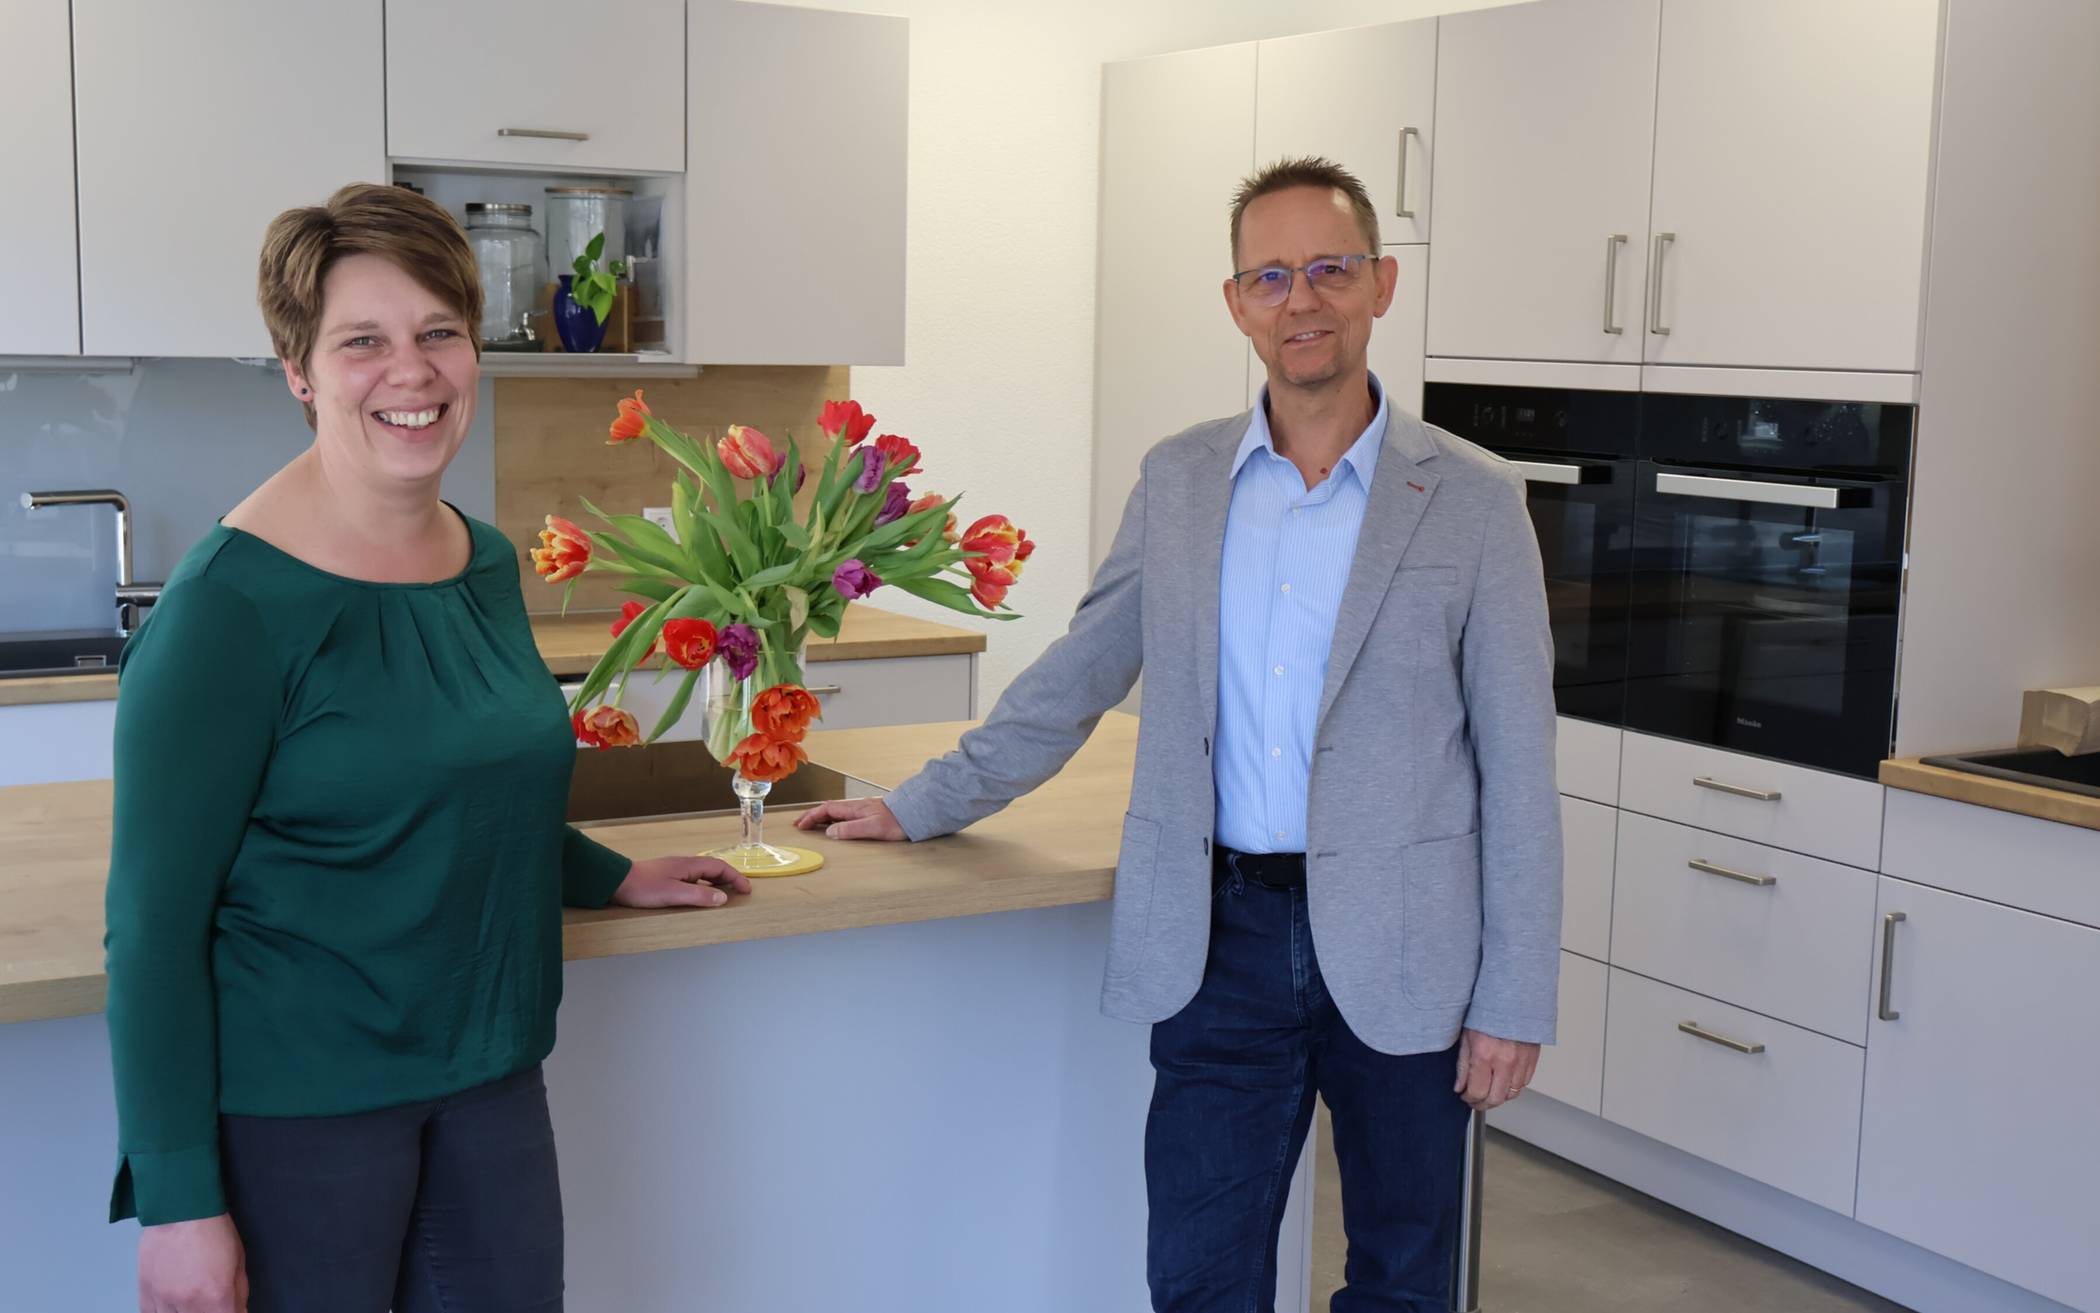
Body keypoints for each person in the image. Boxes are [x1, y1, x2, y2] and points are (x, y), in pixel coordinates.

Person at [797, 156, 1561, 1312]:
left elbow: (1518, 765)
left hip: (1412, 948)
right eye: (1270, 275)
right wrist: (922, 801)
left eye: (1328, 268)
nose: (1300, 298)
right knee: (1201, 1275)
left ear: (1380, 285)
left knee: (1405, 1275)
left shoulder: (1474, 499)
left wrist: (1515, 993)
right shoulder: (1181, 480)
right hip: (1218, 939)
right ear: (1237, 302)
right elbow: (1078, 672)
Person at [105, 182, 750, 1313]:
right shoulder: (229, 609)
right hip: (300, 1108)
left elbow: (470, 787)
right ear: (300, 370)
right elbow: (151, 930)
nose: (412, 371)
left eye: (439, 332)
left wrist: (611, 873)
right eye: (363, 341)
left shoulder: (483, 560)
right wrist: (177, 1201)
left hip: (492, 1075)